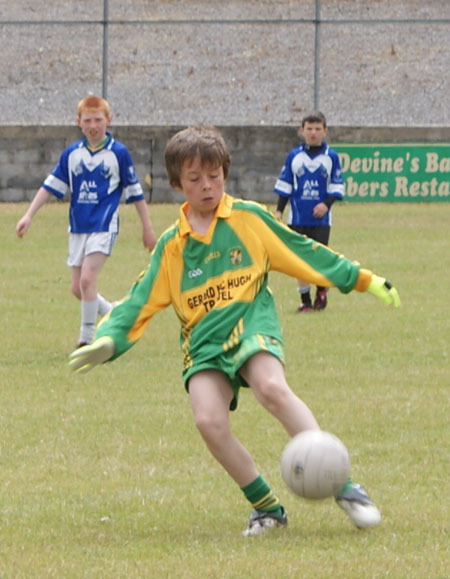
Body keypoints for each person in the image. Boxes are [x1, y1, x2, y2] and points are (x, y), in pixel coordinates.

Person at [69, 125, 400, 537]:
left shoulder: (249, 219)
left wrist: (362, 279)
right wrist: (108, 339)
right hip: (203, 344)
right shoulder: (172, 246)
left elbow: (303, 252)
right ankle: (267, 509)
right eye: (194, 179)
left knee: (271, 388)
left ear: (225, 173)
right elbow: (138, 301)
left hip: (250, 326)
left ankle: (346, 488)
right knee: (208, 421)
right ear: (176, 184)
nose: (207, 186)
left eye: (214, 176)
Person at [15, 96, 156, 348]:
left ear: (109, 120)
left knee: (87, 280)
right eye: (88, 120)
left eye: (98, 120)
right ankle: (111, 312)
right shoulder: (72, 154)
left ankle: (87, 338)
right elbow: (49, 186)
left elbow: (135, 192)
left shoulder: (118, 154)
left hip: (103, 226)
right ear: (78, 122)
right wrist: (28, 215)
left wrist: (147, 228)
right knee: (77, 288)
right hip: (77, 228)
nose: (93, 125)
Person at [274, 110, 343, 313]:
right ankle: (305, 301)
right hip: (297, 217)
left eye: (317, 129)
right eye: (309, 128)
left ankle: (321, 289)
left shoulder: (331, 156)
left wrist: (326, 204)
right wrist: (279, 211)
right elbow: (285, 185)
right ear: (301, 131)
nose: (313, 132)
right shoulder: (294, 156)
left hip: (321, 220)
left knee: (320, 258)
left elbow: (337, 186)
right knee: (299, 261)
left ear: (325, 131)